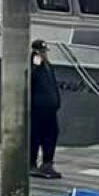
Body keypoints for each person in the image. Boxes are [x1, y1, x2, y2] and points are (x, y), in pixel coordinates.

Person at [29, 40, 62, 179]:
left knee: (52, 134)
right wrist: (35, 65)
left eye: (44, 51)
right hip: (38, 108)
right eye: (41, 51)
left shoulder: (49, 66)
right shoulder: (34, 66)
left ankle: (47, 163)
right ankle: (31, 164)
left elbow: (52, 84)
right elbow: (31, 80)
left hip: (50, 108)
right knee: (36, 136)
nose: (44, 54)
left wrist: (57, 101)